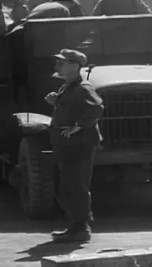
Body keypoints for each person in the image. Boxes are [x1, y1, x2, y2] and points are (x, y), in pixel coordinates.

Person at [45, 49, 104, 243]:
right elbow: (73, 107)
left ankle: (81, 229)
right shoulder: (68, 87)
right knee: (67, 186)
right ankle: (74, 226)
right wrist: (57, 101)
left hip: (79, 145)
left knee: (76, 186)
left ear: (74, 66)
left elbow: (95, 107)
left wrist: (77, 127)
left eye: (61, 63)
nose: (57, 67)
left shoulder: (82, 87)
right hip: (68, 145)